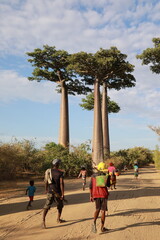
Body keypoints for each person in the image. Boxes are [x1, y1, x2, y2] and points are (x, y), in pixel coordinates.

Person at [42, 159, 65, 229]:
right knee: (60, 206)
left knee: (47, 206)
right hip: (58, 192)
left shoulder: (48, 171)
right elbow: (61, 184)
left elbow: (46, 181)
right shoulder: (60, 173)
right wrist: (63, 194)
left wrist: (46, 189)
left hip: (50, 191)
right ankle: (58, 219)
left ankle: (43, 222)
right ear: (58, 164)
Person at [89, 162, 110, 233]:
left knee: (97, 209)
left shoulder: (92, 176)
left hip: (95, 194)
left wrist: (91, 195)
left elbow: (90, 187)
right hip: (103, 194)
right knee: (103, 211)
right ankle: (102, 227)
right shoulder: (106, 175)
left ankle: (94, 222)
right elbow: (108, 185)